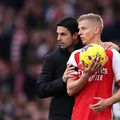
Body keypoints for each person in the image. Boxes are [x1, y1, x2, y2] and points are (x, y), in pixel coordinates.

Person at [35, 16, 120, 120]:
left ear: (74, 36)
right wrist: (62, 80)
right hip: (62, 114)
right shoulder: (56, 58)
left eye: (63, 34)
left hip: (98, 114)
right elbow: (42, 89)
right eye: (79, 29)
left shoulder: (103, 53)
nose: (58, 38)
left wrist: (115, 49)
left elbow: (96, 46)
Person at [66, 13, 120, 120]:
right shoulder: (76, 55)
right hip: (78, 117)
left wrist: (108, 102)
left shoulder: (113, 54)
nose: (79, 33)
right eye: (79, 29)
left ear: (96, 30)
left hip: (103, 117)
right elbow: (70, 90)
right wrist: (86, 75)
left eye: (83, 28)